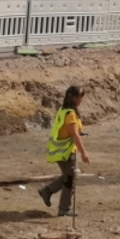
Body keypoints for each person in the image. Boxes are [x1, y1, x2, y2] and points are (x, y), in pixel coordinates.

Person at [38, 86, 90, 217]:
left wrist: (79, 131)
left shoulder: (62, 110)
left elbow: (67, 129)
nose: (81, 100)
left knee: (68, 176)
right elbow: (74, 134)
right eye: (80, 97)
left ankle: (48, 192)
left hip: (60, 150)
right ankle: (63, 207)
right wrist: (84, 152)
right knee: (70, 177)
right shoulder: (70, 114)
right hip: (66, 151)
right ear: (74, 97)